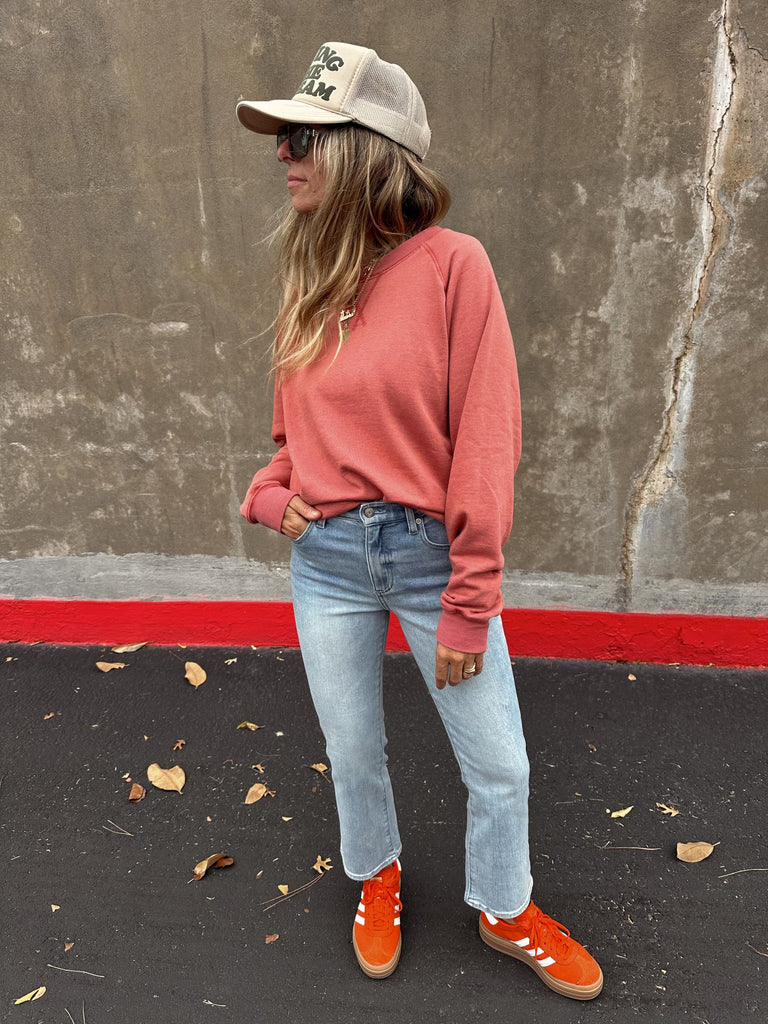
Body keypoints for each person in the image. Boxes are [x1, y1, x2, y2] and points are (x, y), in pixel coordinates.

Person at [235, 41, 603, 1000]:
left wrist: (472, 596)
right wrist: (269, 495)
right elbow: (291, 437)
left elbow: (486, 440)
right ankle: (378, 874)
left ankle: (504, 907)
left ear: (364, 148)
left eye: (304, 138)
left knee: (501, 764)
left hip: (433, 559)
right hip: (327, 559)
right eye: (283, 138)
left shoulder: (453, 267)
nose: (283, 154)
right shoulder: (309, 278)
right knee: (353, 748)